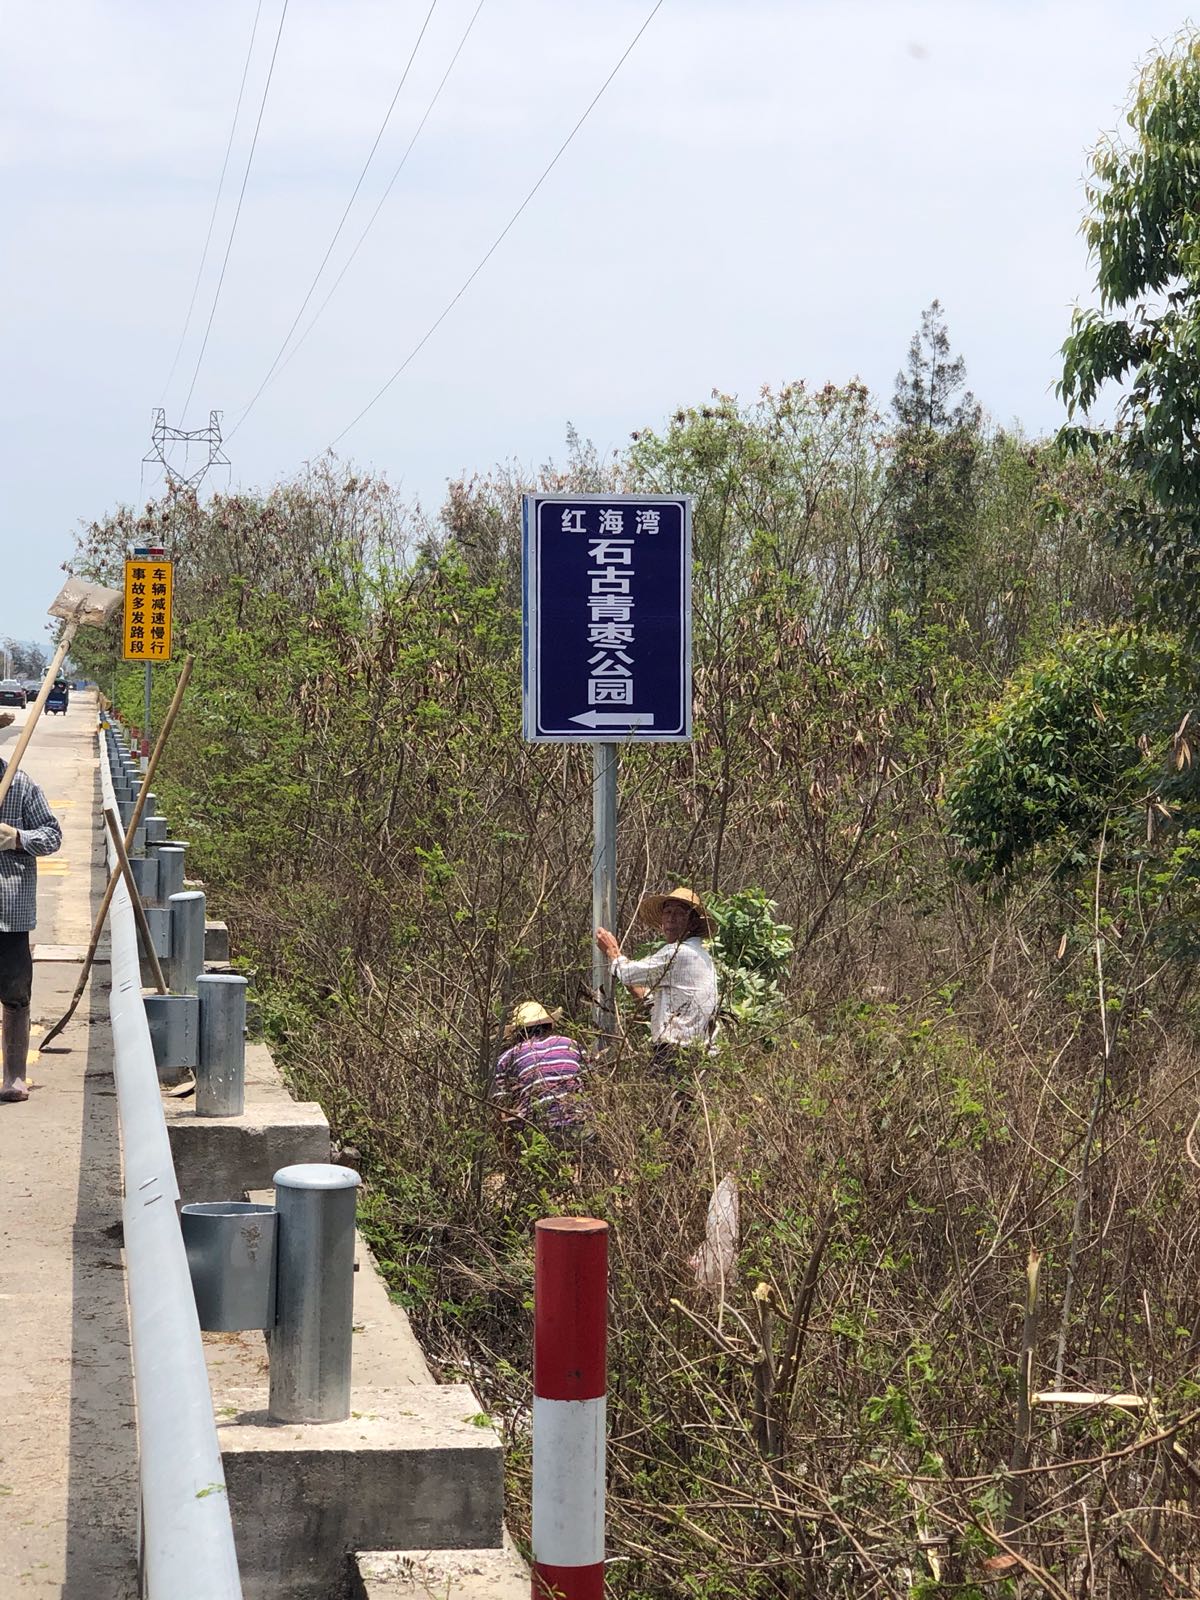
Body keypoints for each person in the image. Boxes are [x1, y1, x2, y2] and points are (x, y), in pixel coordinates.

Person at [596, 886, 719, 1071]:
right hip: (694, 1053)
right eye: (667, 912)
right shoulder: (700, 955)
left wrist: (612, 951)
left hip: (676, 1052)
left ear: (692, 923)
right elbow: (652, 1001)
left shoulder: (680, 953)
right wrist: (631, 982)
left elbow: (626, 972)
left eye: (678, 913)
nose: (670, 918)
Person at [0, 753, 63, 1102]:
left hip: (9, 912)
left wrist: (17, 839)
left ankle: (14, 1077)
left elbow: (52, 836)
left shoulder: (21, 784)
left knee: (15, 995)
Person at [491, 1001, 587, 1141]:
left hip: (537, 1129)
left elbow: (502, 1106)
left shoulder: (507, 1058)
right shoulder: (571, 1044)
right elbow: (591, 1080)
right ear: (549, 1024)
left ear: (517, 1032)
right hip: (580, 1122)